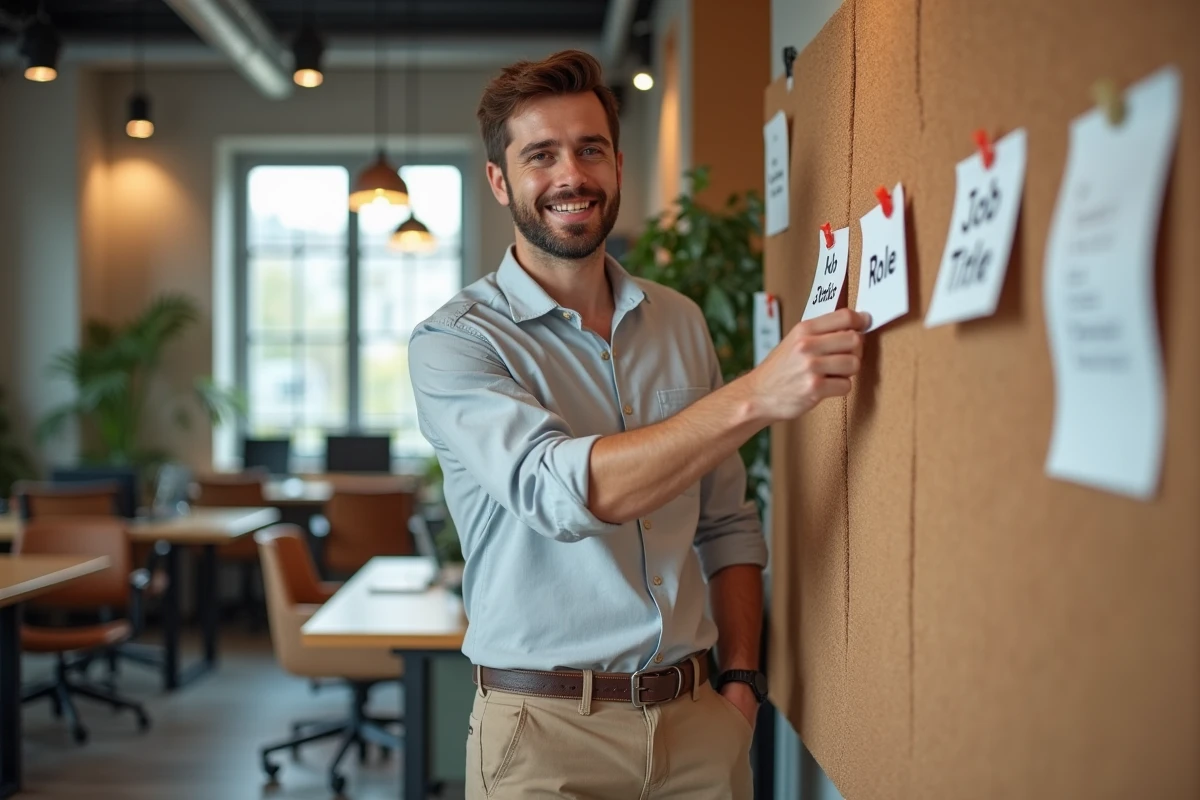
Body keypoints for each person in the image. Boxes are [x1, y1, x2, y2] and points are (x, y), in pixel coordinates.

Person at [407, 49, 868, 800]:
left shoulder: (678, 322)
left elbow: (726, 524)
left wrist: (741, 682)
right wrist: (756, 395)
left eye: (590, 149)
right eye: (541, 156)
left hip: (698, 727)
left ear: (618, 164)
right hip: (543, 739)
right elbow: (565, 493)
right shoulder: (456, 343)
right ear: (500, 181)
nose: (571, 176)